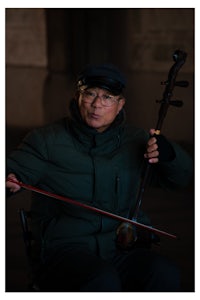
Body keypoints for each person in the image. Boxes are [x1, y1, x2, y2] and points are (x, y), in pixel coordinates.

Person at [6, 63, 193, 292]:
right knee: (102, 280)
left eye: (107, 97)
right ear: (78, 97)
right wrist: (9, 181)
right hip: (65, 251)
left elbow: (180, 180)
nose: (97, 105)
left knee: (164, 272)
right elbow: (14, 170)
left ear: (120, 104)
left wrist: (171, 155)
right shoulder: (47, 140)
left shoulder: (135, 140)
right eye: (90, 94)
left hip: (121, 248)